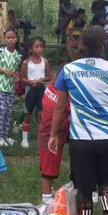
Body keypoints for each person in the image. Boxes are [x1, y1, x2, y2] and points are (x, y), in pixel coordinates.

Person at [49, 25, 108, 215]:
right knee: (105, 182)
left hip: (81, 139)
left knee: (84, 186)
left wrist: (54, 134)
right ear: (103, 45)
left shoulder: (69, 70)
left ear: (82, 43)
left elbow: (60, 106)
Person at [38, 69, 70, 204]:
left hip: (51, 129)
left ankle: (48, 193)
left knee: (48, 163)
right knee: (48, 165)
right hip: (51, 131)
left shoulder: (51, 86)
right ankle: (46, 199)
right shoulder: (63, 97)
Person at [0, 29, 23, 147]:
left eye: (13, 37)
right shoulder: (0, 51)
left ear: (17, 39)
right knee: (1, 111)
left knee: (8, 112)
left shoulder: (18, 54)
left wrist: (17, 76)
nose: (10, 40)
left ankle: (6, 137)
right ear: (4, 39)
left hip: (10, 87)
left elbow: (17, 69)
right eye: (8, 37)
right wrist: (3, 71)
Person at [20, 37, 52, 149]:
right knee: (27, 114)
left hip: (41, 89)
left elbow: (49, 76)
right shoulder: (26, 62)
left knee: (41, 114)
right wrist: (30, 82)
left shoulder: (45, 61)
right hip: (30, 90)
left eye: (41, 47)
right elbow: (22, 78)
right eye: (36, 47)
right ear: (30, 49)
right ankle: (24, 139)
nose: (39, 49)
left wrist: (43, 79)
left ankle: (42, 138)